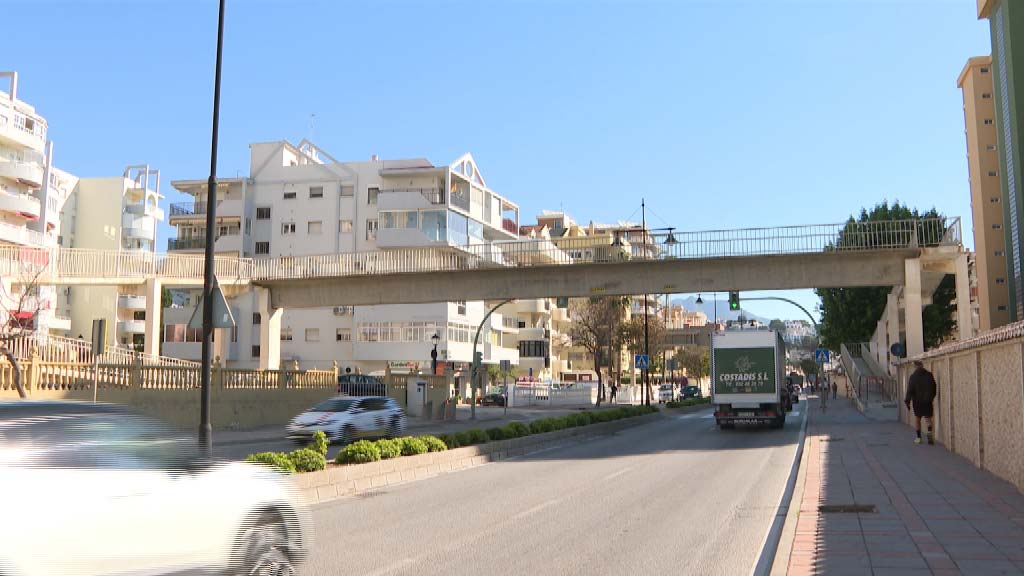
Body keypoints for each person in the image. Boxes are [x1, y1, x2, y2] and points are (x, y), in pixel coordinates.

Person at [905, 360, 937, 445]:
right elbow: (934, 387)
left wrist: (907, 401)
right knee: (928, 418)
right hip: (927, 401)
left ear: (915, 367)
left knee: (917, 419)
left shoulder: (913, 377)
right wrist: (931, 397)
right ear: (922, 366)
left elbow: (910, 390)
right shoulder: (929, 375)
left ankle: (919, 438)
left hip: (917, 401)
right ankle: (930, 434)